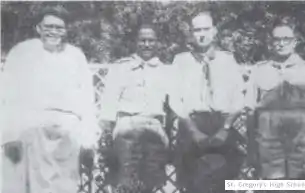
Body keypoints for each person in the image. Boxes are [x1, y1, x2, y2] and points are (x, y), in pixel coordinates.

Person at [0, 6, 99, 193]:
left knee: (63, 185)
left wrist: (88, 139)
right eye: (49, 27)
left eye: (59, 28)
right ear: (38, 28)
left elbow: (87, 99)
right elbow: (7, 95)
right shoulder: (21, 53)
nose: (54, 32)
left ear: (66, 30)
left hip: (67, 129)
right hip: (31, 127)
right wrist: (8, 136)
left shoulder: (76, 56)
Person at [169, 11, 246, 193]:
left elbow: (239, 98)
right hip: (191, 127)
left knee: (225, 182)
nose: (201, 34)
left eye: (206, 29)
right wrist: (193, 131)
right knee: (192, 184)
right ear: (191, 33)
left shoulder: (228, 60)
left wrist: (225, 129)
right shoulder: (180, 61)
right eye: (197, 30)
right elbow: (174, 99)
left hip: (222, 126)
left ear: (214, 31)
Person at [245, 17, 305, 185]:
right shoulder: (259, 70)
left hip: (301, 147)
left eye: (286, 39)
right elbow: (250, 111)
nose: (281, 44)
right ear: (270, 43)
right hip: (269, 147)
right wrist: (251, 146)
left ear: (295, 42)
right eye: (276, 39)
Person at [99, 24, 170, 193]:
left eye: (151, 41)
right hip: (127, 125)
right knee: (127, 175)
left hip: (153, 127)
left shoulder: (165, 71)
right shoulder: (121, 67)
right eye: (142, 40)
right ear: (136, 42)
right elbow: (109, 103)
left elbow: (172, 105)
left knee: (150, 176)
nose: (146, 44)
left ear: (157, 43)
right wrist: (107, 134)